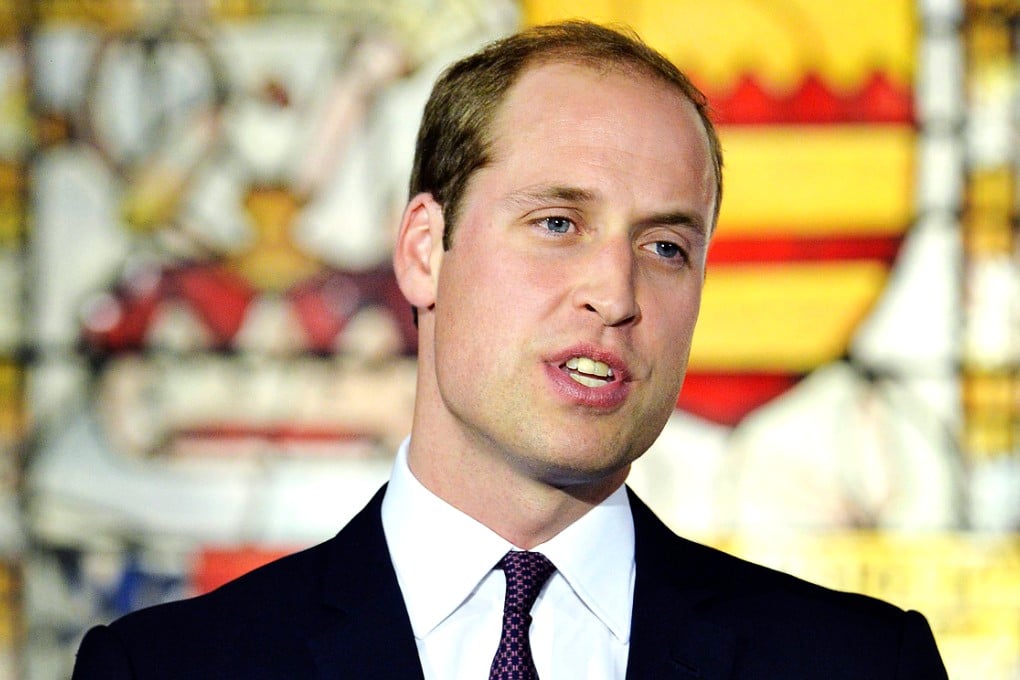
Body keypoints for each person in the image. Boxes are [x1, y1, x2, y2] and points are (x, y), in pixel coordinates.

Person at [71, 20, 948, 679]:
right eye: (558, 222)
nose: (616, 292)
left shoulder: (862, 665)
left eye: (666, 247)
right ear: (423, 249)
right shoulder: (168, 671)